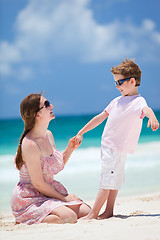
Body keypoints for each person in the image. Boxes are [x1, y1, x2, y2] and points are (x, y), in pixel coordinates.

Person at [75, 58, 159, 220]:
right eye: (115, 83)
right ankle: (109, 211)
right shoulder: (116, 101)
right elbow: (100, 117)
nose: (117, 86)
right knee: (112, 180)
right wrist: (81, 131)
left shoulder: (138, 101)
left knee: (108, 180)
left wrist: (153, 117)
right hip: (110, 146)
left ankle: (94, 214)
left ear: (132, 81)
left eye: (119, 82)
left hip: (117, 148)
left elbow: (146, 109)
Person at [11, 93, 90, 225]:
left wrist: (69, 149)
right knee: (69, 217)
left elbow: (52, 168)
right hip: (30, 197)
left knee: (87, 212)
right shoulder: (30, 143)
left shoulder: (48, 135)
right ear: (37, 115)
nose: (51, 105)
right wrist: (65, 198)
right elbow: (38, 184)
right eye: (46, 105)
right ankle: (24, 219)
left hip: (48, 192)